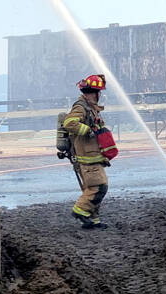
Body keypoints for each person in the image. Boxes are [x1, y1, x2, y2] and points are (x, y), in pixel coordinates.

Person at [63, 74, 110, 228]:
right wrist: (88, 130)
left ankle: (93, 219)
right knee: (99, 187)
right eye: (98, 92)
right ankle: (80, 210)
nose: (100, 95)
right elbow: (69, 123)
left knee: (92, 188)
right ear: (93, 93)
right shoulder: (81, 107)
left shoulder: (90, 108)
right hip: (87, 157)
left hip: (93, 155)